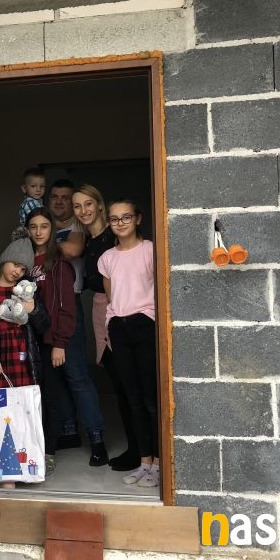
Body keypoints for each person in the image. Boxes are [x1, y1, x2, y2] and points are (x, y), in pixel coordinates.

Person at [0, 237, 50, 488]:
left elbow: (44, 325)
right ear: (4, 260)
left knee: (21, 412)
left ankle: (22, 467)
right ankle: (1, 471)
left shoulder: (28, 291)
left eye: (23, 268)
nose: (18, 271)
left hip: (22, 359)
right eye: (15, 264)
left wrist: (33, 309)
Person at [72, 185, 139, 472]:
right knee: (119, 381)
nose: (83, 210)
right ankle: (137, 449)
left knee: (131, 383)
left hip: (123, 311)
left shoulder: (114, 236)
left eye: (88, 204)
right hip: (102, 311)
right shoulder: (89, 241)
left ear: (100, 205)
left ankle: (142, 450)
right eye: (77, 206)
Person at [98, 199, 159, 488]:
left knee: (150, 398)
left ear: (138, 219)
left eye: (126, 217)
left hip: (145, 323)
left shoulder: (150, 250)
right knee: (133, 398)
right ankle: (144, 461)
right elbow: (111, 298)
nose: (120, 223)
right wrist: (110, 326)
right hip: (119, 328)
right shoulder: (107, 258)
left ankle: (159, 463)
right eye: (114, 219)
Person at [47, 180, 107, 466]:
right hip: (41, 306)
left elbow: (71, 250)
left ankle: (97, 439)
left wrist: (41, 242)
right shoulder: (45, 224)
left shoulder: (78, 227)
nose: (60, 202)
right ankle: (69, 431)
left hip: (68, 305)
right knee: (54, 375)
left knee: (77, 375)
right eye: (54, 197)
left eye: (65, 198)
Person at [26, 207, 76, 475]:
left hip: (49, 341)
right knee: (28, 396)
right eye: (33, 226)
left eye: (44, 226)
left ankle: (49, 452)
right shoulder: (22, 260)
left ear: (52, 229)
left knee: (50, 396)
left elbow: (67, 307)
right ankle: (30, 449)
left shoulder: (59, 264)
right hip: (26, 340)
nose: (38, 232)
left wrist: (59, 343)